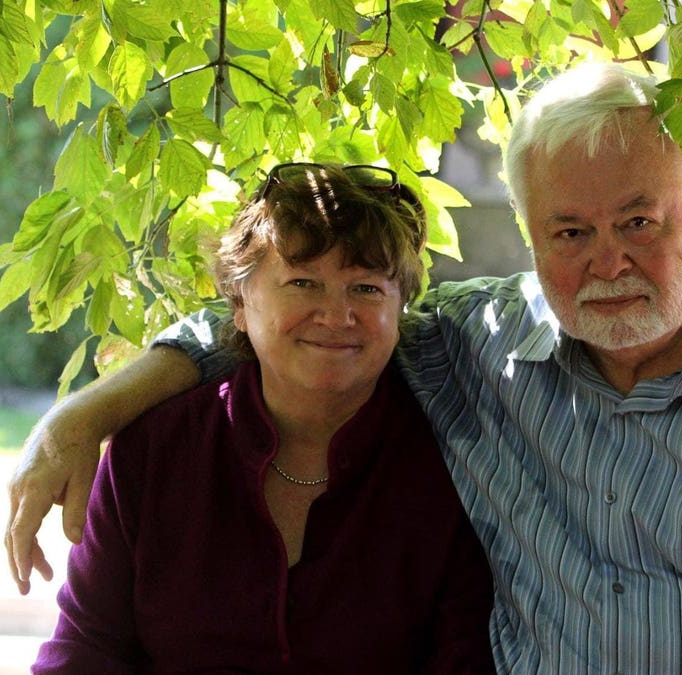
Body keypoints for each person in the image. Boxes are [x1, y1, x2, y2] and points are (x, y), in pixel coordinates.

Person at [9, 62, 682, 673]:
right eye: (571, 232)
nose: (607, 262)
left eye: (639, 222)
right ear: (530, 235)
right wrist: (79, 418)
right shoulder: (479, 345)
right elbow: (294, 323)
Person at [31, 162, 496, 673]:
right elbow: (85, 647)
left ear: (401, 307)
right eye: (302, 282)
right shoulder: (154, 448)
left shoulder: (448, 462)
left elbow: (464, 656)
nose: (336, 315)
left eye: (366, 288)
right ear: (238, 304)